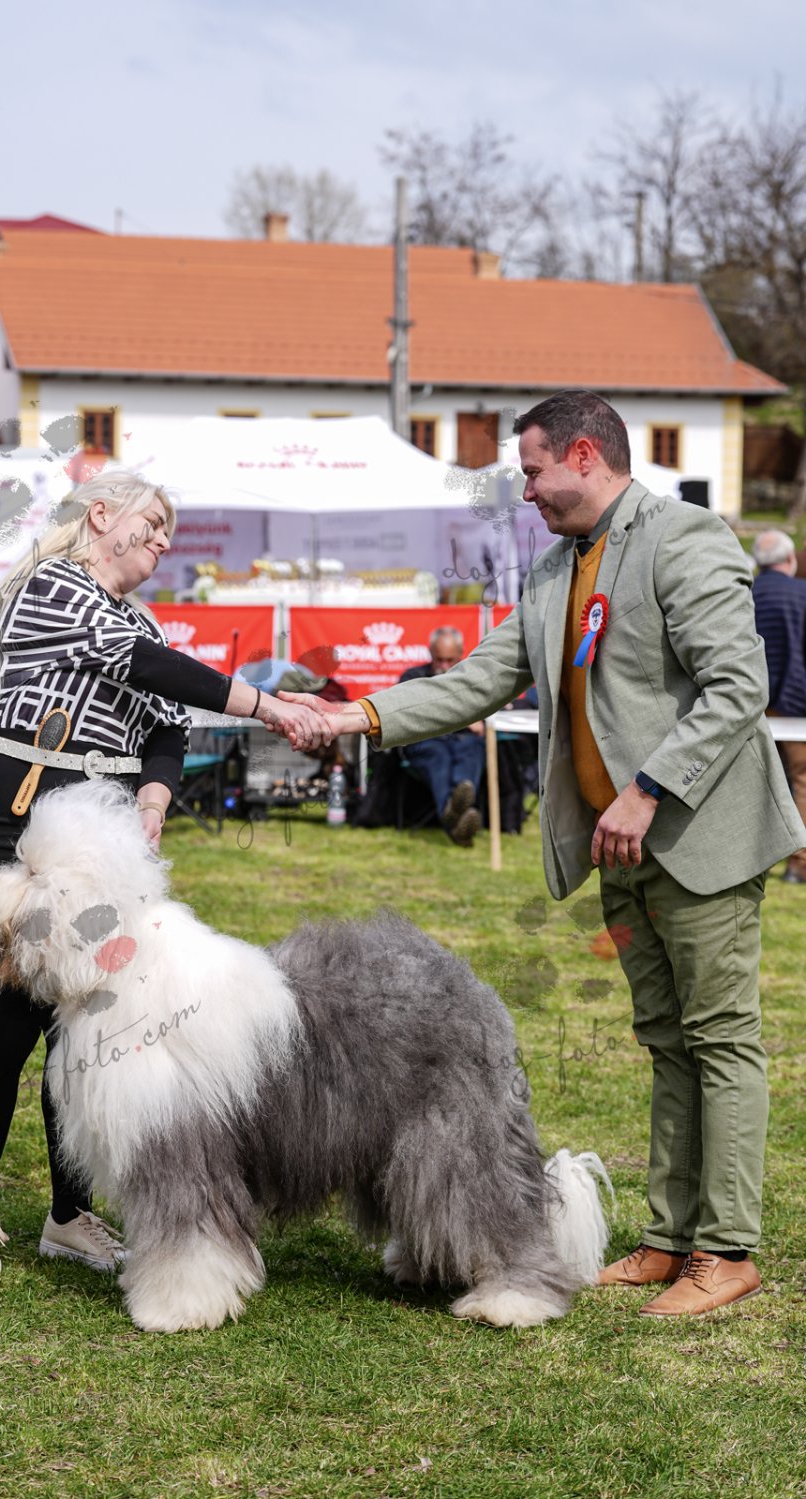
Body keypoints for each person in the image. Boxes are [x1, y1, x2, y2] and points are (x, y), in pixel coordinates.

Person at [281, 390, 806, 1317]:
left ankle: (726, 1251)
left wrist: (648, 789)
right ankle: (669, 1238)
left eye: (531, 471)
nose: (524, 491)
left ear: (584, 455)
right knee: (667, 1042)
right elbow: (478, 680)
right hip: (622, 849)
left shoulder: (684, 537)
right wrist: (353, 715)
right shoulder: (556, 569)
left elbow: (736, 685)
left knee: (721, 1040)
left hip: (698, 838)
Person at [0, 470, 326, 1275]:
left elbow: (167, 723)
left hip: (100, 845)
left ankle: (68, 1214)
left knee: (90, 1027)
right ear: (100, 515)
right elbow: (151, 667)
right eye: (152, 523)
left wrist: (154, 796)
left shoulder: (135, 617)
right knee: (8, 1022)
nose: (162, 539)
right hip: (7, 825)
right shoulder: (51, 586)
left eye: (168, 531)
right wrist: (269, 705)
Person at [751, 529, 806, 885]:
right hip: (795, 705)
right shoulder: (802, 594)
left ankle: (755, 861)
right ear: (789, 559)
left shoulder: (744, 594)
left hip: (748, 706)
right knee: (802, 781)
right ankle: (798, 865)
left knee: (755, 783)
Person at [398, 627, 484, 846]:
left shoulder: (472, 681)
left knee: (472, 747)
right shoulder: (412, 678)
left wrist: (480, 720)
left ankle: (454, 805)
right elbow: (404, 715)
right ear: (430, 653)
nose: (444, 666)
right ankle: (456, 810)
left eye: (450, 660)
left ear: (461, 655)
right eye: (439, 660)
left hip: (462, 740)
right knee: (438, 755)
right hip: (426, 741)